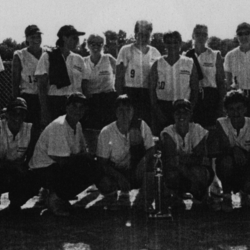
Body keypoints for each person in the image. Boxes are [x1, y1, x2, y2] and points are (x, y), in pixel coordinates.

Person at [5, 92, 108, 216]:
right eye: (74, 106)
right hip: (40, 172)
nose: (78, 110)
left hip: (55, 169)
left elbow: (81, 153)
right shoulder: (59, 125)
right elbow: (62, 160)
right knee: (85, 165)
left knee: (88, 164)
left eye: (81, 107)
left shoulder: (78, 125)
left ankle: (59, 196)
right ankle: (55, 198)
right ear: (67, 107)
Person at [96, 94, 155, 207]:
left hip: (135, 169)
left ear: (133, 111)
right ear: (116, 112)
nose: (124, 113)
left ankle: (144, 203)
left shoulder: (141, 125)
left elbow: (151, 148)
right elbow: (101, 163)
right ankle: (113, 199)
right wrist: (119, 177)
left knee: (151, 166)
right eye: (121, 110)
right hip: (116, 171)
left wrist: (143, 162)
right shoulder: (107, 131)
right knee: (104, 182)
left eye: (128, 109)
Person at [160, 99, 212, 202]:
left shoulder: (198, 129)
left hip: (193, 170)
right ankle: (177, 195)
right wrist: (193, 182)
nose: (181, 116)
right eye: (178, 112)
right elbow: (172, 162)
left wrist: (180, 159)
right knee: (171, 175)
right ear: (173, 115)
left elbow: (199, 159)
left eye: (185, 112)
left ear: (191, 114)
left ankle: (200, 196)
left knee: (199, 172)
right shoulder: (167, 132)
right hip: (180, 172)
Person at [35, 25, 87, 128]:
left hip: (76, 103)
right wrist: (44, 111)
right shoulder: (48, 56)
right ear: (64, 38)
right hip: (55, 102)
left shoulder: (79, 59)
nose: (77, 41)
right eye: (74, 38)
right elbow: (41, 86)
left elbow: (84, 85)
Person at [150, 31, 199, 135]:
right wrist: (158, 111)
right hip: (163, 107)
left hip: (183, 107)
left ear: (180, 43)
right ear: (165, 44)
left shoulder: (189, 62)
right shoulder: (157, 63)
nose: (172, 45)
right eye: (168, 42)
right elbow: (152, 89)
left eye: (175, 42)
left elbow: (195, 89)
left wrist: (190, 110)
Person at [115, 20, 161, 126]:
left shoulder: (155, 53)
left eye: (146, 35)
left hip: (148, 94)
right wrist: (121, 100)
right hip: (130, 93)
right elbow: (118, 78)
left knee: (146, 127)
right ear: (135, 34)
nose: (143, 38)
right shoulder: (126, 50)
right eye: (140, 34)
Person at [215, 90, 250, 211]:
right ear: (226, 111)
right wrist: (235, 149)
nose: (235, 112)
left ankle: (245, 192)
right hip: (228, 166)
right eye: (231, 109)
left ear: (245, 109)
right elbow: (225, 148)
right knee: (226, 161)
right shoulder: (221, 122)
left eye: (239, 108)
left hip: (246, 165)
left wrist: (241, 152)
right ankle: (226, 196)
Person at [186, 24, 226, 128]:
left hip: (211, 98)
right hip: (193, 98)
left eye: (204, 35)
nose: (201, 37)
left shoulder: (215, 55)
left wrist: (221, 105)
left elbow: (221, 82)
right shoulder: (186, 56)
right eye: (198, 34)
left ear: (207, 37)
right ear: (193, 36)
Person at [0, 98, 36, 209]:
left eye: (22, 114)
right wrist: (14, 166)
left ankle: (16, 202)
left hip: (16, 170)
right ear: (7, 114)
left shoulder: (30, 129)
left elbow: (31, 157)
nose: (18, 117)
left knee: (33, 178)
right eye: (14, 113)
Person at [12, 25, 45, 130]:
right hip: (28, 97)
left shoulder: (47, 53)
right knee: (28, 130)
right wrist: (16, 100)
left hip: (45, 97)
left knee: (45, 129)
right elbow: (15, 81)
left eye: (38, 36)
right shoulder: (20, 55)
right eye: (32, 37)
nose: (36, 39)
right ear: (26, 38)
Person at [82, 34, 117, 129]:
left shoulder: (108, 58)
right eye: (92, 44)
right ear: (88, 45)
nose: (96, 46)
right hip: (91, 101)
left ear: (103, 45)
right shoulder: (83, 61)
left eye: (99, 44)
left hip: (108, 100)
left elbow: (121, 74)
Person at [224, 22, 250, 116]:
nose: (244, 36)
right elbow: (228, 82)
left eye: (247, 33)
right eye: (240, 34)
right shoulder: (230, 56)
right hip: (238, 98)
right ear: (237, 36)